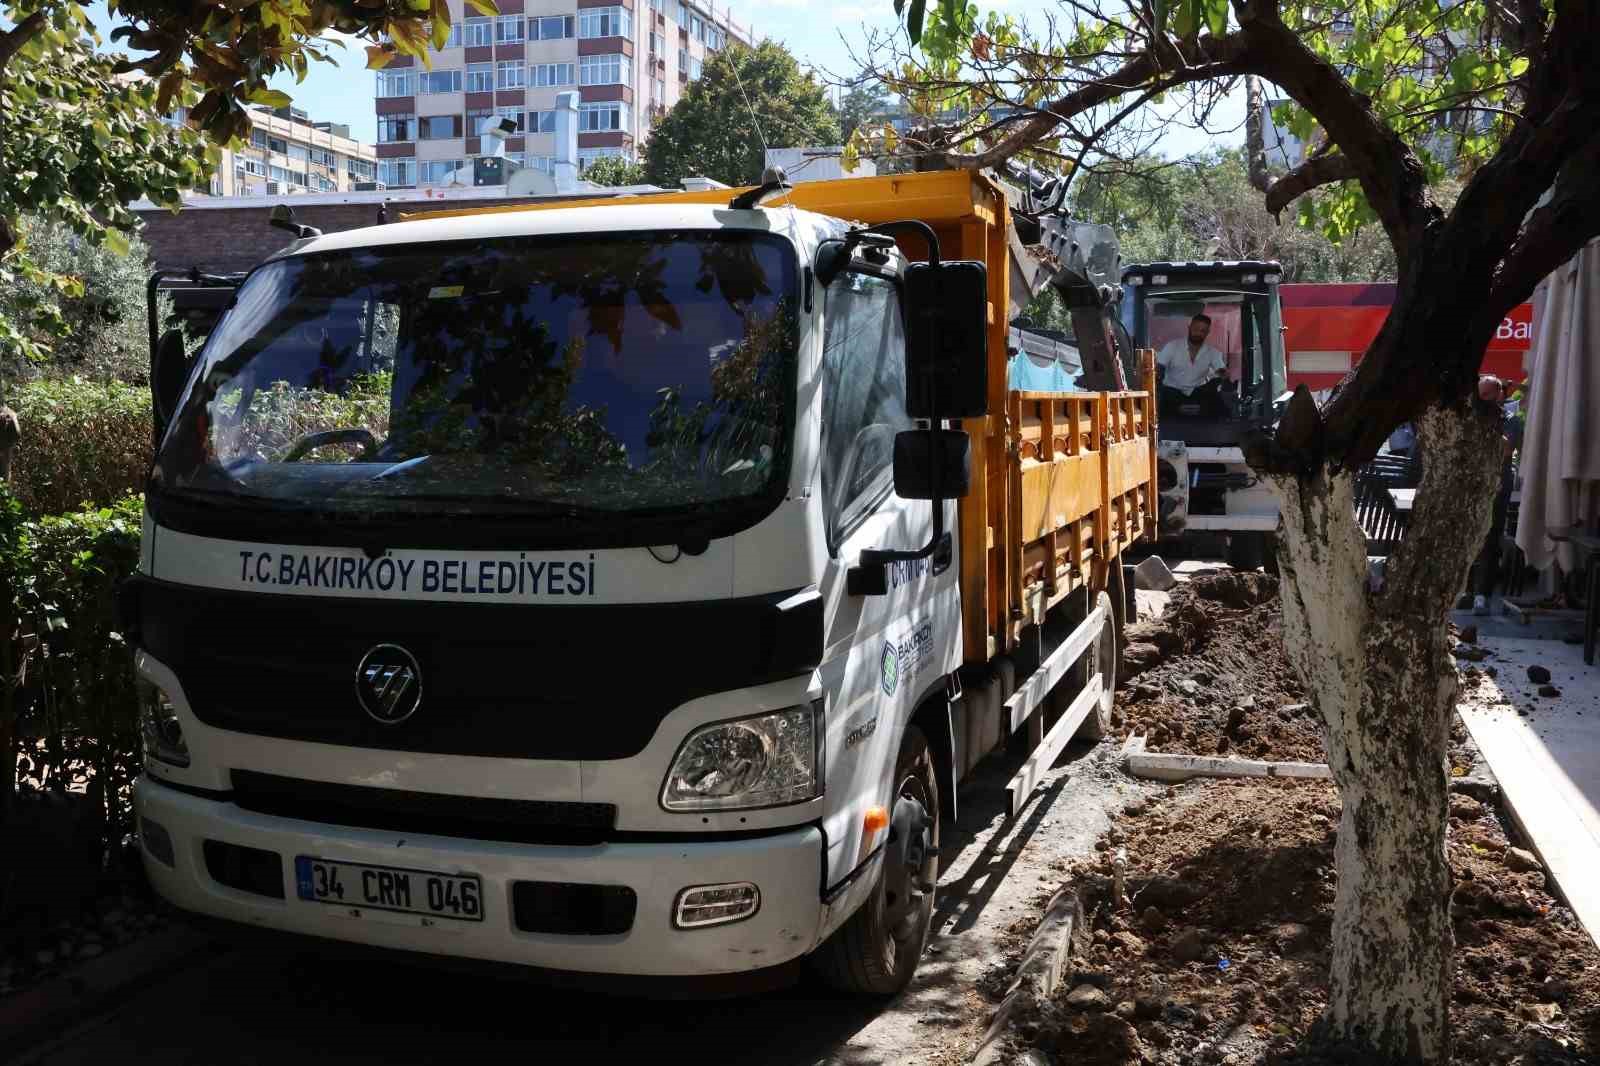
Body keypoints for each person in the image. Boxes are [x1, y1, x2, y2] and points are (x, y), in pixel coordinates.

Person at [1473, 375, 1518, 616]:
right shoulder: (1472, 417)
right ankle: (1468, 590)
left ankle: (1483, 593)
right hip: (1473, 484)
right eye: (1480, 396)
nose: (1482, 400)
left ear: (1499, 395)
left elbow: (1507, 450)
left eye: (1487, 395)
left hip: (1498, 484)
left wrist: (1486, 426)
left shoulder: (1509, 420)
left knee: (1490, 537)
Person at [1156, 313, 1228, 416]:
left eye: (1202, 331)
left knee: (1219, 406)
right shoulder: (1172, 346)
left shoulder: (1213, 352)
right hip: (1172, 393)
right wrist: (1158, 377)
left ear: (1207, 333)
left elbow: (1220, 369)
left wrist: (1224, 374)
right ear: (1189, 328)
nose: (1198, 333)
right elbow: (1160, 367)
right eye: (1196, 329)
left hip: (1199, 393)